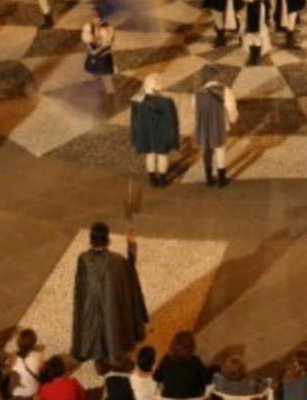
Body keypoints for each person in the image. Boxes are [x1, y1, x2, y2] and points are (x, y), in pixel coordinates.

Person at [71, 222, 149, 366]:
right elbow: (130, 271)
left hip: (89, 309)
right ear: (107, 239)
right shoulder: (116, 261)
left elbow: (80, 289)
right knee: (112, 321)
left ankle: (96, 356)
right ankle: (112, 352)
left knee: (93, 323)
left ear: (91, 239)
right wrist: (131, 246)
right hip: (110, 307)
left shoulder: (83, 259)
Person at [130, 74, 179, 188]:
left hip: (145, 133)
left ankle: (152, 180)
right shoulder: (166, 101)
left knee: (150, 155)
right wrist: (173, 138)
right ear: (157, 85)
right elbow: (171, 121)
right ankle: (162, 180)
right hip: (161, 133)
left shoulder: (136, 100)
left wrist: (134, 138)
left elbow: (134, 121)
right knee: (162, 156)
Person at [193, 65, 239, 188]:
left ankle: (208, 178)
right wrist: (233, 119)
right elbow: (231, 108)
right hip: (219, 123)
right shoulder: (225, 90)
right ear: (216, 76)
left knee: (207, 150)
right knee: (220, 150)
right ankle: (221, 179)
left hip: (204, 125)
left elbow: (195, 108)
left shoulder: (197, 93)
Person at [152, 332, 210, 400]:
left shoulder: (166, 360)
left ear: (174, 345)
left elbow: (156, 378)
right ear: (192, 346)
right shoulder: (196, 361)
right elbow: (207, 381)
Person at [81, 9, 115, 93]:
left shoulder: (106, 26)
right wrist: (91, 39)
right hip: (95, 54)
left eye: (96, 14)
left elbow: (109, 40)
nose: (94, 17)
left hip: (103, 55)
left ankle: (109, 92)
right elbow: (85, 38)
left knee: (106, 75)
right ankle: (98, 88)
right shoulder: (89, 26)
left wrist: (99, 40)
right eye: (93, 14)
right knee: (94, 72)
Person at [240, 0, 271, 65]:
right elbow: (244, 6)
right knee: (250, 38)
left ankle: (256, 56)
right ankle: (252, 54)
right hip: (249, 21)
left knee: (258, 38)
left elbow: (264, 6)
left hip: (259, 21)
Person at [8, 329, 44, 400]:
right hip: (32, 391)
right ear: (34, 343)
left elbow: (10, 369)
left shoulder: (12, 356)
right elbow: (42, 370)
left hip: (15, 392)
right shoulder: (39, 356)